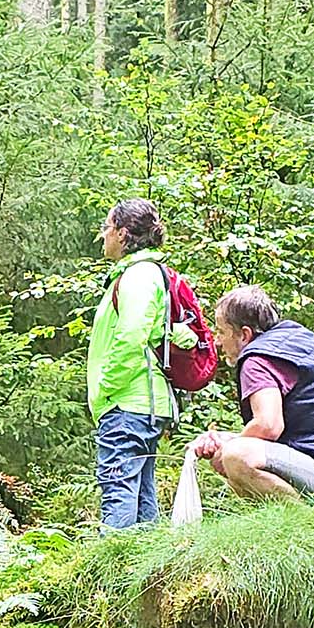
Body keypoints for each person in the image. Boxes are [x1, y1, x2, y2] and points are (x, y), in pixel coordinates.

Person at [188, 286, 314, 501]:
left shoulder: (257, 360)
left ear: (244, 334)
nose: (217, 341)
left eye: (222, 331)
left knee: (236, 457)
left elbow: (268, 426)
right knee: (235, 455)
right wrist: (226, 439)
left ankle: (312, 526)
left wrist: (228, 448)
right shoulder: (293, 341)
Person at [88, 198, 197, 529]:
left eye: (106, 228)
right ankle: (149, 573)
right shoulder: (146, 274)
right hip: (143, 402)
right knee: (142, 494)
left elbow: (131, 336)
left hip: (127, 402)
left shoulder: (138, 276)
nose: (103, 236)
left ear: (122, 234)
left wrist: (107, 387)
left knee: (118, 489)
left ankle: (112, 573)